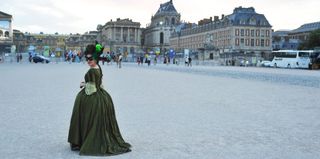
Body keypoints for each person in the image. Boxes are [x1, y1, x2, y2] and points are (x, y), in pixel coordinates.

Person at [68, 44, 131, 156]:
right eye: (87, 59)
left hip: (92, 95)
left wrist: (83, 84)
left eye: (90, 59)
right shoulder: (98, 67)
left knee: (83, 115)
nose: (88, 61)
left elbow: (91, 89)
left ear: (96, 59)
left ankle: (82, 140)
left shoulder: (92, 70)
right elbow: (100, 83)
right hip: (102, 95)